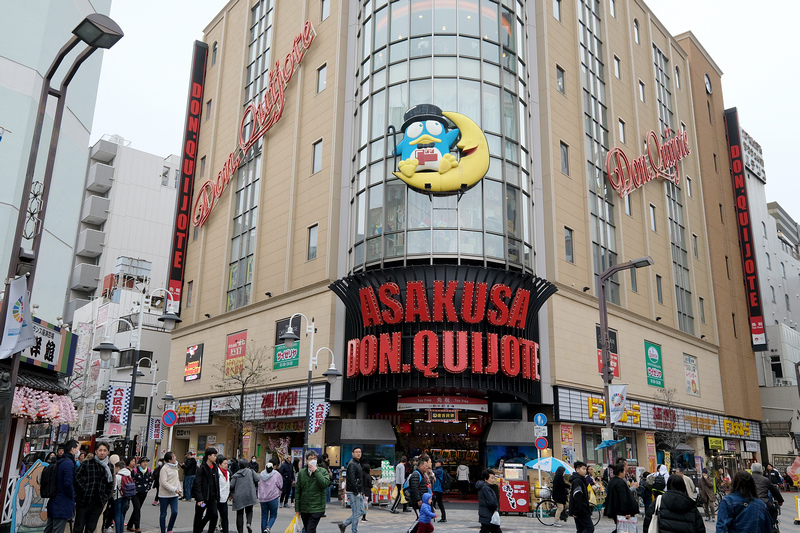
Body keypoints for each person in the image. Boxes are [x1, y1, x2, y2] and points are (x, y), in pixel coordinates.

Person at [74, 441, 113, 533]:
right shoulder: (87, 463)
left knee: (91, 528)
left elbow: (110, 484)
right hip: (83, 502)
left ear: (108, 452)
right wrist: (84, 490)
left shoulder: (109, 467)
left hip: (98, 503)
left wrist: (105, 498)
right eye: (100, 450)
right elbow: (76, 478)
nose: (102, 452)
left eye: (104, 450)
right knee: (78, 527)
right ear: (96, 451)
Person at [44, 439, 79, 533]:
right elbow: (67, 483)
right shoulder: (68, 463)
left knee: (49, 528)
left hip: (55, 500)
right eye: (77, 449)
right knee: (57, 529)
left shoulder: (61, 461)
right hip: (62, 503)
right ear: (72, 449)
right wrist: (72, 496)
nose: (78, 451)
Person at [295, 450, 330, 533]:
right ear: (306, 461)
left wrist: (316, 471)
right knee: (308, 529)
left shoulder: (322, 471)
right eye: (310, 458)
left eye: (314, 458)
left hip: (317, 507)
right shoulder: (302, 473)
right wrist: (297, 509)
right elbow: (298, 491)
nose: (313, 460)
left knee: (310, 529)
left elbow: (325, 484)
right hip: (304, 508)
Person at [192, 448, 220, 533]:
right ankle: (197, 530)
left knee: (214, 515)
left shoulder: (215, 467)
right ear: (208, 456)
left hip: (212, 498)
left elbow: (216, 483)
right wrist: (199, 498)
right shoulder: (202, 469)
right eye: (214, 455)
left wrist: (217, 495)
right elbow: (197, 484)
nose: (215, 457)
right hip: (203, 499)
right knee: (199, 515)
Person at [603, 463, 638, 532]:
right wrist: (627, 512)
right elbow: (623, 498)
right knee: (622, 529)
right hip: (621, 511)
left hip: (614, 509)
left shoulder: (612, 481)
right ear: (620, 472)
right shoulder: (620, 483)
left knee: (620, 528)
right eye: (624, 471)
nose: (625, 473)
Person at [338, 447, 364, 533]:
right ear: (352, 453)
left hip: (357, 491)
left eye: (360, 452)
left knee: (362, 511)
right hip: (353, 491)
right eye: (356, 452)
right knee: (356, 513)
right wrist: (356, 491)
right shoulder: (352, 464)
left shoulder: (357, 463)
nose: (358, 453)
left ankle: (344, 524)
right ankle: (354, 531)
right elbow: (352, 479)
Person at [231, 458, 260, 533]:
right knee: (249, 510)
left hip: (239, 496)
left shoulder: (236, 475)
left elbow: (231, 486)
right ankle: (248, 523)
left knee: (239, 514)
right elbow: (257, 479)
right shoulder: (251, 472)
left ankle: (240, 531)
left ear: (239, 465)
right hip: (249, 494)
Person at [751, 462, 783, 527]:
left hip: (749, 501)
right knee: (774, 511)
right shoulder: (765, 480)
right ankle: (771, 526)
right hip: (763, 502)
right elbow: (775, 491)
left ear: (751, 470)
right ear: (761, 471)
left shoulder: (747, 479)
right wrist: (780, 501)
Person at [159, 451, 183, 533]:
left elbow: (177, 480)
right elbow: (163, 483)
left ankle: (170, 529)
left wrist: (180, 490)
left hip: (174, 495)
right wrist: (173, 489)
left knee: (175, 512)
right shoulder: (164, 469)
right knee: (163, 514)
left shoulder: (175, 467)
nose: (175, 457)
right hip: (164, 495)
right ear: (169, 460)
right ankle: (163, 530)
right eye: (174, 456)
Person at [258, 461, 283, 533]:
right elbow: (280, 485)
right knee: (273, 515)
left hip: (263, 498)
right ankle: (268, 528)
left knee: (264, 516)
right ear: (273, 468)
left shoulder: (262, 474)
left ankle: (263, 531)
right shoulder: (277, 474)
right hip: (273, 497)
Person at [129, 457, 152, 532]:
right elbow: (131, 481)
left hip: (144, 492)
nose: (145, 463)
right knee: (137, 508)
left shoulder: (148, 471)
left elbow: (150, 480)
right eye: (143, 462)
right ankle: (137, 527)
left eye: (146, 462)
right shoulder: (135, 471)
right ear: (140, 463)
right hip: (135, 493)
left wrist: (148, 488)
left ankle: (130, 524)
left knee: (137, 509)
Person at [569, 462, 593, 533]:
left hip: (580, 509)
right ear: (577, 470)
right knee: (589, 528)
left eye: (585, 469)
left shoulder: (581, 480)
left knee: (581, 529)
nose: (585, 471)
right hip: (581, 510)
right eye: (583, 469)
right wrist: (576, 511)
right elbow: (577, 497)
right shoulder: (577, 481)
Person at [114, 460, 134, 533]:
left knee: (117, 514)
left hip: (118, 497)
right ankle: (121, 530)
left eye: (115, 468)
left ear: (118, 468)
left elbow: (114, 488)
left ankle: (117, 530)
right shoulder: (128, 474)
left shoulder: (117, 476)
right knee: (122, 514)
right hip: (126, 496)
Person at [431, 459, 447, 523]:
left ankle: (433, 516)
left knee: (434, 503)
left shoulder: (439, 470)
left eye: (437, 462)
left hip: (438, 489)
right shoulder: (439, 470)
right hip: (438, 489)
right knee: (440, 504)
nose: (435, 464)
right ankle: (443, 517)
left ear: (440, 463)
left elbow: (432, 472)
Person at [218, 456, 231, 533]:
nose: (226, 465)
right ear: (220, 464)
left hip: (224, 498)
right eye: (224, 463)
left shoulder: (228, 473)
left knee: (225, 517)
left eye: (227, 463)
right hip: (217, 498)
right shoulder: (217, 473)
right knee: (212, 516)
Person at [360, 456, 372, 522]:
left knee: (363, 504)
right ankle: (364, 517)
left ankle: (363, 516)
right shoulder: (368, 476)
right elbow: (370, 484)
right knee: (365, 505)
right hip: (367, 491)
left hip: (363, 491)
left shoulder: (362, 475)